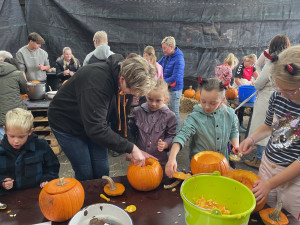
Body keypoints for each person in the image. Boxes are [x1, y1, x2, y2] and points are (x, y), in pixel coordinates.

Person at [48, 54, 157, 181]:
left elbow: (116, 115)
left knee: (102, 167)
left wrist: (127, 145)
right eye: (130, 91)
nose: (130, 94)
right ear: (122, 79)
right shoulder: (97, 84)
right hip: (67, 122)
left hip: (93, 121)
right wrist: (131, 148)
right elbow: (96, 129)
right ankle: (88, 197)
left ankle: (102, 195)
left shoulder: (120, 76)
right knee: (85, 170)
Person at [239, 45, 300, 221]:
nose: (282, 94)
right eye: (278, 88)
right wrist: (251, 138)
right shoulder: (278, 95)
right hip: (267, 165)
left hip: (293, 179)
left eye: (289, 91)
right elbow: (269, 126)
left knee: (288, 217)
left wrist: (270, 184)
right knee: (264, 211)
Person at [165, 78, 239, 177]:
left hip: (223, 164)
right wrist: (172, 157)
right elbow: (181, 136)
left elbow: (234, 131)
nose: (207, 106)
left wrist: (236, 146)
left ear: (222, 100)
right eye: (203, 101)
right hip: (200, 168)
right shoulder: (195, 118)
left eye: (213, 103)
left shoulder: (230, 114)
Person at [245, 34, 291, 168]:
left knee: (264, 126)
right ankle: (266, 159)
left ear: (273, 46)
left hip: (267, 99)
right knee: (275, 127)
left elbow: (258, 83)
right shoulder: (288, 62)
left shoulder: (272, 62)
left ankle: (259, 158)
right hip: (283, 100)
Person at [0, 108, 59, 191]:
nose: (16, 141)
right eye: (12, 136)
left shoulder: (41, 145)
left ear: (30, 132)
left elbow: (52, 167)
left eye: (21, 136)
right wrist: (2, 182)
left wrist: (47, 179)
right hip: (10, 197)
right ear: (5, 130)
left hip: (37, 193)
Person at [127, 79, 177, 167]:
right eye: (150, 99)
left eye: (158, 101)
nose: (153, 104)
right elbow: (130, 132)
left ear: (165, 99)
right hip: (140, 157)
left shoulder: (170, 116)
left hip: (160, 160)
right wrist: (130, 149)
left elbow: (172, 136)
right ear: (146, 95)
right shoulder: (137, 112)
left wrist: (166, 144)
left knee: (158, 178)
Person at [158, 36, 185, 132]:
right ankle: (169, 131)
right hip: (167, 88)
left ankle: (177, 134)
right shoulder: (166, 56)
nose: (163, 50)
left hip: (174, 89)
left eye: (165, 48)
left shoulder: (179, 59)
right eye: (162, 48)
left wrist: (161, 82)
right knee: (167, 111)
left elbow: (176, 77)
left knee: (174, 112)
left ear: (171, 47)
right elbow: (158, 65)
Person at [0, 55, 27, 140]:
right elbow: (24, 90)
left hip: (1, 115)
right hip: (16, 111)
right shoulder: (18, 74)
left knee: (4, 138)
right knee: (18, 137)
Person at [234, 53, 259, 132]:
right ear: (246, 60)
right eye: (251, 63)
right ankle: (239, 124)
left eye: (253, 64)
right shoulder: (240, 67)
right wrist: (244, 87)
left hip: (248, 88)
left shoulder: (252, 67)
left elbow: (258, 77)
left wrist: (254, 83)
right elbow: (237, 80)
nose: (252, 65)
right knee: (241, 105)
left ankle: (250, 125)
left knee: (252, 105)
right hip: (240, 88)